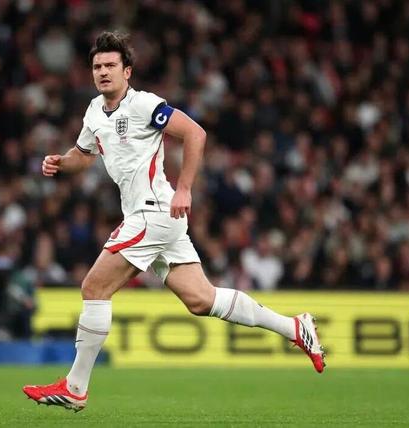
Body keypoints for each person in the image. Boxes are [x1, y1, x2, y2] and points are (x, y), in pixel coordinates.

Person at [22, 31, 325, 412]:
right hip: (153, 217)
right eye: (97, 66)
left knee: (94, 287)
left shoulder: (144, 104)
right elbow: (83, 155)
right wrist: (60, 163)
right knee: (201, 299)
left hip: (154, 211)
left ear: (127, 71)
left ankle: (75, 387)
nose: (103, 71)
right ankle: (294, 328)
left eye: (110, 65)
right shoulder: (94, 111)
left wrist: (185, 188)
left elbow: (195, 133)